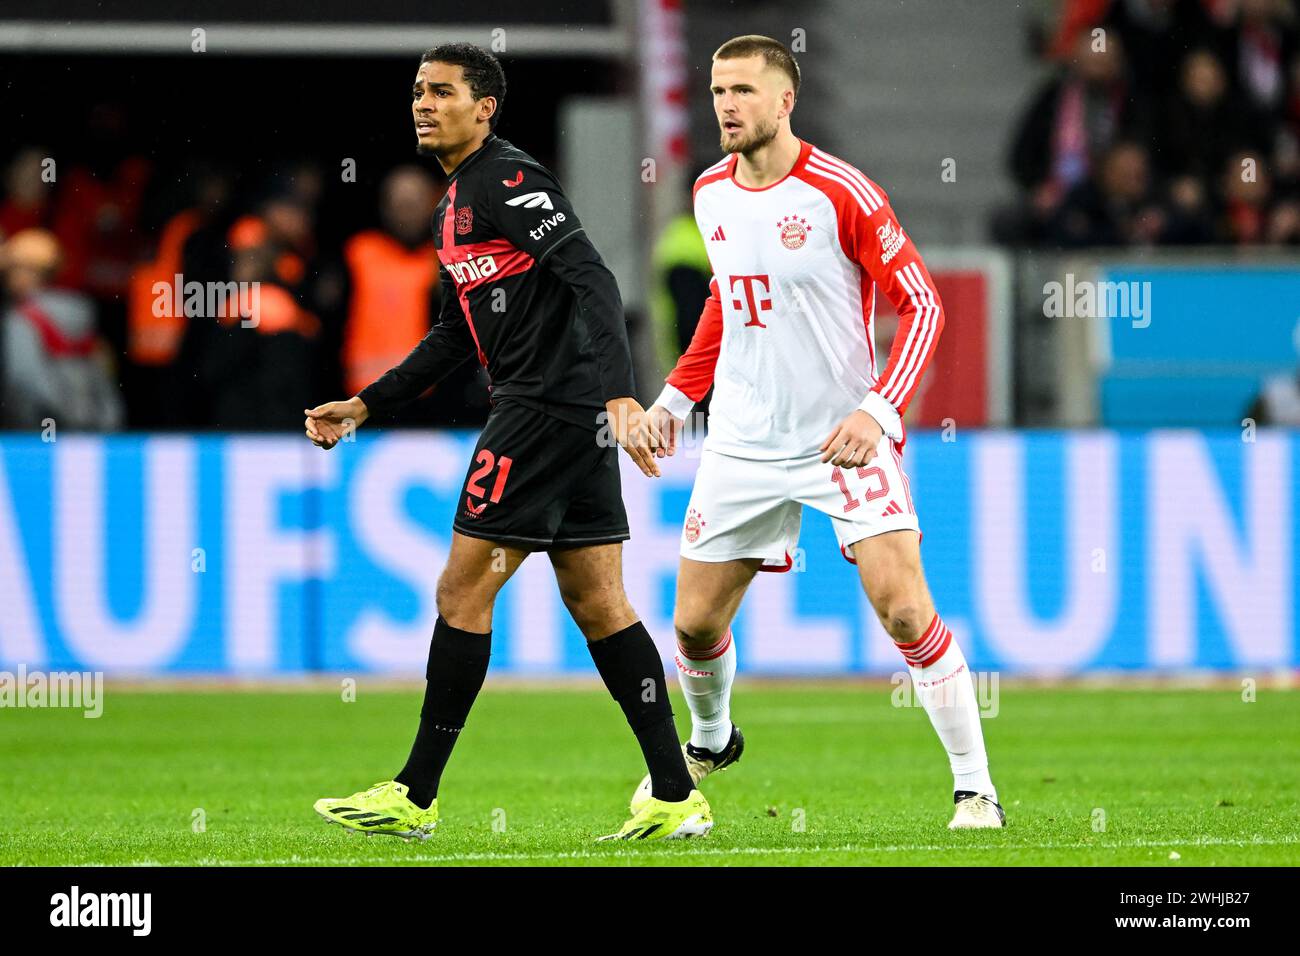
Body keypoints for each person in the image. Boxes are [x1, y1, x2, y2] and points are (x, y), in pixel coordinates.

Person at [304, 43, 711, 842]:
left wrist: (623, 395)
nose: (422, 103)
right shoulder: (456, 202)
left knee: (462, 594)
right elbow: (455, 334)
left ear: (485, 106)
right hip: (567, 415)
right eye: (417, 90)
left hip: (541, 413)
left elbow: (592, 276)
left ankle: (414, 795)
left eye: (442, 91)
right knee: (599, 602)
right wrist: (365, 403)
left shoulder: (505, 179)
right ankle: (674, 793)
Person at [638, 35, 1005, 829]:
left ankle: (975, 788)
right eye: (716, 91)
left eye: (742, 90)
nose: (726, 106)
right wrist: (674, 398)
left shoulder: (843, 192)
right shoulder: (708, 193)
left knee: (904, 611)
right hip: (741, 437)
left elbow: (924, 305)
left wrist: (878, 411)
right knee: (695, 624)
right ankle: (713, 738)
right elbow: (725, 305)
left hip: (841, 438)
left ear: (784, 100)